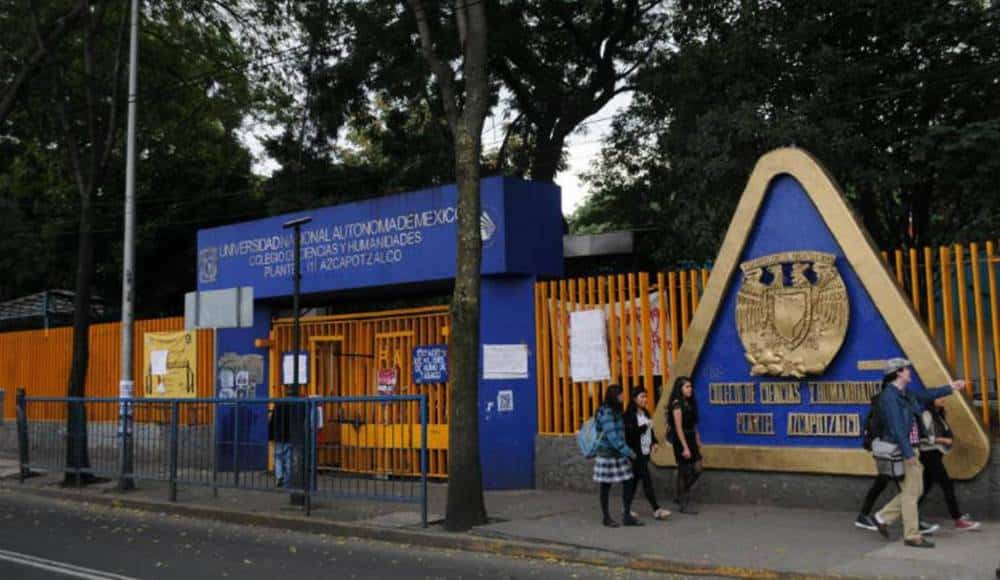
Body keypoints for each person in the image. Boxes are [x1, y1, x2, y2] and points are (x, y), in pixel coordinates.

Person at [871, 358, 964, 549]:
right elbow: (897, 427)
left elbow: (927, 395)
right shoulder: (890, 397)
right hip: (902, 449)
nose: (910, 372)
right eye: (907, 369)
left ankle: (882, 517)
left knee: (913, 490)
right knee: (912, 492)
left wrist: (951, 387)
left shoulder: (905, 393)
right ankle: (912, 535)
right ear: (898, 372)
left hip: (911, 447)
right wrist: (908, 453)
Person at [917, 398, 980, 531]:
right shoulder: (927, 414)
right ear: (932, 400)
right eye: (939, 397)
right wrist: (943, 440)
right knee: (947, 486)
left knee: (924, 487)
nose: (943, 399)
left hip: (935, 454)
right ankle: (958, 520)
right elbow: (925, 436)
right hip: (929, 454)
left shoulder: (939, 414)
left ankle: (909, 514)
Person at [593, 384, 641, 527]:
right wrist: (629, 452)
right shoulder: (606, 413)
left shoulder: (616, 410)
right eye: (621, 394)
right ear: (614, 396)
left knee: (628, 481)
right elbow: (612, 436)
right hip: (607, 454)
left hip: (618, 453)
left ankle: (626, 515)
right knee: (606, 485)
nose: (623, 396)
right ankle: (606, 517)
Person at [624, 386, 671, 521]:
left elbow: (651, 431)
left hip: (645, 452)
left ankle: (626, 509)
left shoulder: (645, 413)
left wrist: (654, 442)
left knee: (633, 483)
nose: (645, 399)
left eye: (646, 396)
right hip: (635, 454)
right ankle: (657, 510)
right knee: (646, 480)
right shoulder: (629, 415)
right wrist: (644, 427)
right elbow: (630, 435)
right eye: (642, 396)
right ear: (634, 399)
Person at [668, 376, 702, 515]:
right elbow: (678, 428)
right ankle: (683, 503)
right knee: (684, 470)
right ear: (680, 388)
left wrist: (697, 438)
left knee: (698, 468)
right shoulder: (677, 404)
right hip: (681, 439)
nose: (690, 389)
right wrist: (685, 447)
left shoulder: (690, 402)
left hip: (691, 436)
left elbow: (694, 423)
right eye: (687, 387)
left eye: (690, 386)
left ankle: (679, 493)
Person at [268, 395, 294, 488]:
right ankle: (287, 480)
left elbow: (272, 422)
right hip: (290, 436)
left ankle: (279, 476)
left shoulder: (277, 407)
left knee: (278, 457)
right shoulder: (294, 408)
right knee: (288, 459)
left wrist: (271, 436)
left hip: (278, 436)